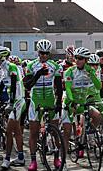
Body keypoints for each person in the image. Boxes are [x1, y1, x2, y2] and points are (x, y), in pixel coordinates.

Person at [24, 39, 63, 171]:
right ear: (38, 52)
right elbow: (28, 85)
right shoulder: (31, 65)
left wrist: (58, 102)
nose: (44, 56)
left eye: (46, 53)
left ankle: (57, 158)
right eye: (42, 53)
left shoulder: (55, 66)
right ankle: (33, 160)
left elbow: (58, 85)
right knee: (34, 132)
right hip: (36, 100)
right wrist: (38, 74)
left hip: (50, 99)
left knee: (55, 131)